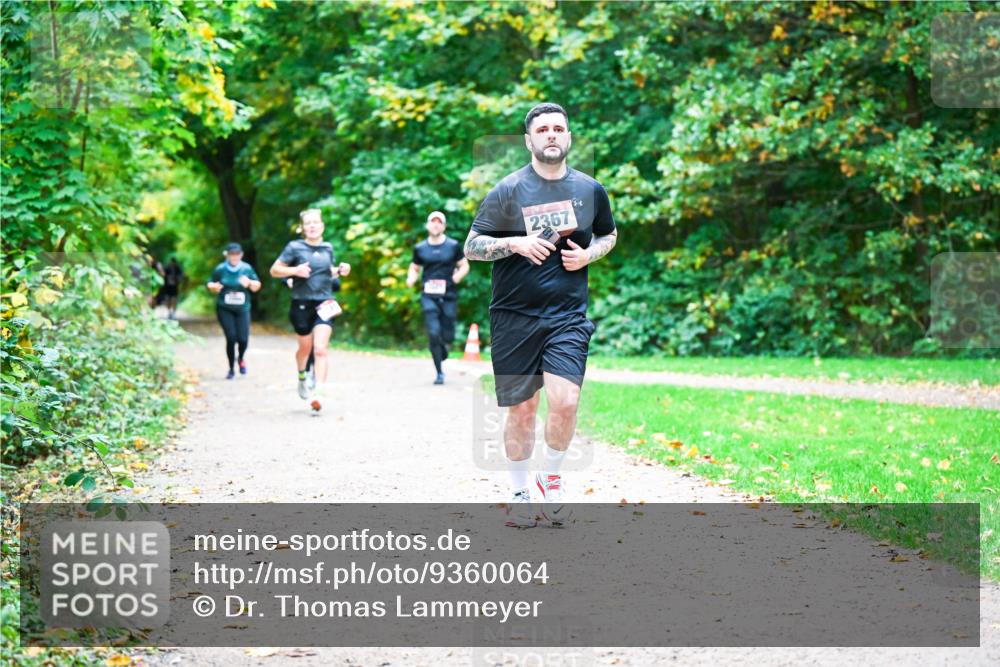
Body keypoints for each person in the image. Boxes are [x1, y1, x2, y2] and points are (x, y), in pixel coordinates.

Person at [464, 102, 618, 527]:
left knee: (565, 401)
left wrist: (588, 255)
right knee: (522, 410)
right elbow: (472, 247)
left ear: (568, 137)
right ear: (529, 140)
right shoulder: (509, 190)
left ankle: (551, 478)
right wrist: (514, 244)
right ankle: (518, 492)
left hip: (567, 316)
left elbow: (609, 234)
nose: (552, 134)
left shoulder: (590, 190)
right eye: (543, 129)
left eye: (558, 128)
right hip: (513, 317)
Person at [269, 208, 351, 415]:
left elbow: (326, 272)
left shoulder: (328, 247)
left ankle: (318, 394)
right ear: (302, 228)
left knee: (320, 349)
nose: (312, 226)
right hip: (301, 304)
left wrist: (340, 271)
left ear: (322, 226)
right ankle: (302, 377)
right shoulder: (294, 247)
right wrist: (294, 270)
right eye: (308, 223)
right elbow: (274, 270)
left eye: (316, 222)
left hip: (324, 304)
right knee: (305, 349)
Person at [406, 210, 470, 384]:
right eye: (432, 221)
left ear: (444, 226)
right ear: (427, 225)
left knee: (448, 334)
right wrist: (411, 278)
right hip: (428, 295)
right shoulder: (420, 248)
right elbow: (414, 267)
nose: (435, 224)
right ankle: (439, 373)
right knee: (433, 333)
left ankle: (444, 348)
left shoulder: (452, 245)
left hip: (449, 294)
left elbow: (464, 265)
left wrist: (457, 277)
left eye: (439, 222)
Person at [206, 243, 262, 379]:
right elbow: (210, 283)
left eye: (237, 254)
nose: (234, 257)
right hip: (225, 308)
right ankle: (231, 369)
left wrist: (249, 283)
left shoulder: (246, 268)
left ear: (241, 255)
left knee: (243, 339)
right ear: (227, 255)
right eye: (232, 254)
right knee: (231, 338)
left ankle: (241, 358)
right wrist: (213, 287)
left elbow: (257, 286)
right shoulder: (220, 269)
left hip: (243, 309)